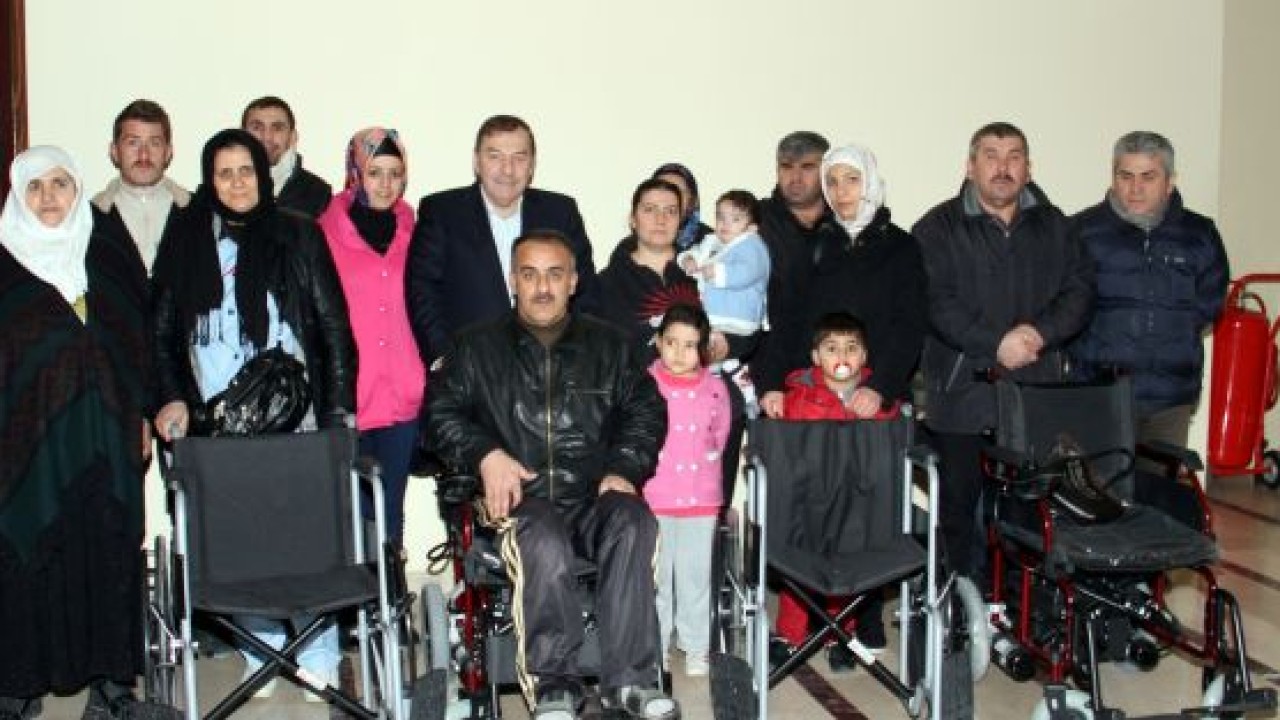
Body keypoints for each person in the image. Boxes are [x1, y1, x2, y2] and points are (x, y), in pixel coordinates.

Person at [427, 230, 677, 720]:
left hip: (591, 498)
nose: (542, 287)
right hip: (514, 503)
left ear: (573, 281)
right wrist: (485, 455)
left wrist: (624, 467)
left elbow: (646, 412)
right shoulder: (473, 347)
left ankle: (631, 682)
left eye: (554, 274)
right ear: (512, 280)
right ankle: (554, 686)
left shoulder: (611, 345)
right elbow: (439, 416)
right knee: (540, 532)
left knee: (633, 520)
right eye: (530, 274)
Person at [151, 129, 355, 700]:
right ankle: (256, 648)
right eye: (225, 173)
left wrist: (339, 407)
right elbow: (161, 334)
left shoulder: (299, 233)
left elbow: (333, 326)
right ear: (209, 180)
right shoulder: (185, 237)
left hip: (295, 411)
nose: (237, 183)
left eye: (246, 171)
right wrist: (171, 397)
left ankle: (316, 651)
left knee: (306, 533)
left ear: (263, 177)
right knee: (237, 537)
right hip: (217, 419)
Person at [1, 146, 174, 719]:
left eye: (60, 184)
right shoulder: (5, 265)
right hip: (24, 445)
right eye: (35, 187)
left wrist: (145, 412)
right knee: (27, 551)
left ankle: (112, 688)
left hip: (107, 438)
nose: (48, 197)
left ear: (78, 190)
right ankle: (18, 686)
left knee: (107, 551)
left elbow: (141, 340)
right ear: (18, 197)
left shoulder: (107, 254)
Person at [913, 121, 1094, 583]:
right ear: (970, 166)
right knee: (960, 512)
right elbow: (936, 302)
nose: (1002, 167)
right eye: (991, 156)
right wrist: (996, 343)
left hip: (1037, 391)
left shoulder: (1057, 226)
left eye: (1014, 157)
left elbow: (1080, 291)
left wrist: (1038, 333)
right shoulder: (936, 228)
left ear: (1029, 169)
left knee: (1030, 512)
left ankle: (1020, 604)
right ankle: (959, 603)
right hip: (962, 395)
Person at [1070, 131, 1229, 448]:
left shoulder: (1200, 234)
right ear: (1113, 177)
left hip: (1171, 400)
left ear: (1169, 182)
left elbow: (1210, 301)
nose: (1135, 188)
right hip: (1101, 395)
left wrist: (1173, 333)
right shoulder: (1081, 232)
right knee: (1104, 480)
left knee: (1161, 481)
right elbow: (1067, 306)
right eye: (1125, 176)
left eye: (1148, 177)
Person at [405, 114, 600, 368]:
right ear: (477, 162)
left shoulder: (561, 212)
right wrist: (443, 358)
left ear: (532, 165)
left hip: (550, 368)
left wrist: (577, 357)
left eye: (519, 157)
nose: (507, 170)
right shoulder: (442, 212)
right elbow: (422, 290)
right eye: (495, 156)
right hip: (470, 369)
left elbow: (584, 288)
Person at [317, 127, 423, 550]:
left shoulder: (415, 229)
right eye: (375, 172)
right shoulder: (325, 232)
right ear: (355, 173)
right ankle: (357, 590)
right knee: (352, 511)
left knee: (390, 506)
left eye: (395, 174)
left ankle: (390, 588)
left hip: (403, 395)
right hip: (351, 396)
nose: (385, 184)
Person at [774, 312, 898, 671]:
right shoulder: (799, 398)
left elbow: (891, 437)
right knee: (798, 569)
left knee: (847, 571)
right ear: (816, 357)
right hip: (807, 506)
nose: (842, 356)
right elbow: (785, 447)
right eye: (832, 349)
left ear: (864, 356)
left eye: (851, 348)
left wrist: (879, 407)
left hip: (856, 508)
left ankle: (840, 635)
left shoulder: (874, 399)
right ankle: (789, 635)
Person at [643, 303, 731, 679]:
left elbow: (721, 434)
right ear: (658, 342)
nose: (679, 353)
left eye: (690, 345)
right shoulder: (645, 384)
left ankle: (696, 645)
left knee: (695, 577)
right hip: (656, 495)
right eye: (672, 342)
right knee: (659, 578)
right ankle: (657, 645)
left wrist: (707, 460)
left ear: (704, 349)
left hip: (700, 498)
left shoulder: (715, 389)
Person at [751, 131, 851, 402]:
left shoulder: (849, 224)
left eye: (807, 167)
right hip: (768, 373)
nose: (795, 177)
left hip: (840, 373)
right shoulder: (754, 222)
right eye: (786, 167)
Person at [93, 99, 190, 275]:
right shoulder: (89, 218)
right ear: (114, 151)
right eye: (133, 142)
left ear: (168, 152)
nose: (144, 154)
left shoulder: (197, 213)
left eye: (154, 143)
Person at [677, 189, 771, 340]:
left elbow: (749, 271)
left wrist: (718, 273)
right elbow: (697, 251)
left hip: (738, 316)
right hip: (713, 315)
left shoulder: (752, 245)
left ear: (751, 228)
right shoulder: (712, 241)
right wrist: (688, 259)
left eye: (735, 219)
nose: (725, 224)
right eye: (720, 217)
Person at [241, 96, 332, 218]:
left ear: (293, 137)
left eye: (277, 128)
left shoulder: (319, 193)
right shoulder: (223, 188)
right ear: (242, 135)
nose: (267, 137)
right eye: (257, 128)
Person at [651, 162, 711, 251]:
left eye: (678, 191)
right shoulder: (634, 245)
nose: (668, 198)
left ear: (693, 201)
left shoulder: (714, 244)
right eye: (662, 191)